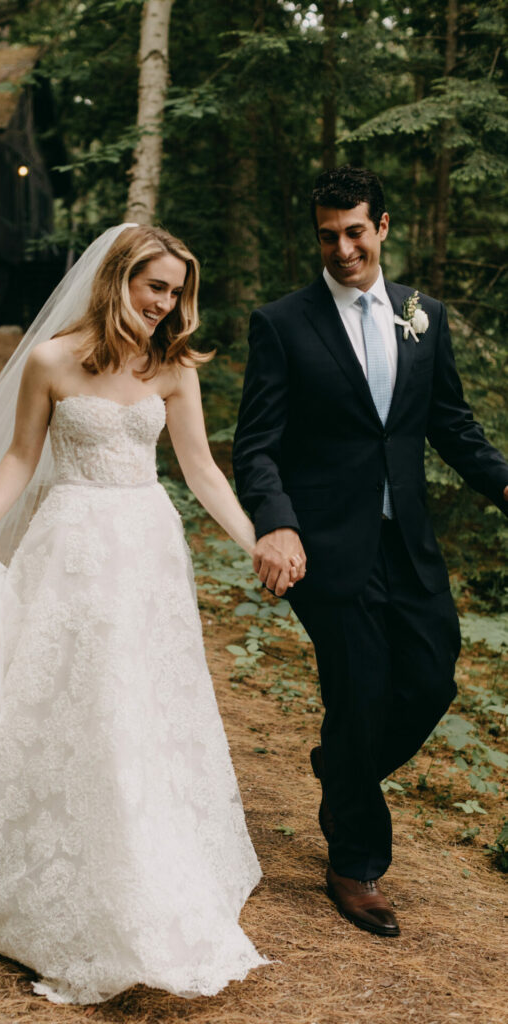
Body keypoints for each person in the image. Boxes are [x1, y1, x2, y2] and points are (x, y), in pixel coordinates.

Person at [0, 224, 266, 1003]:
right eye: (153, 287)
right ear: (117, 279)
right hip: (70, 541)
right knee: (63, 693)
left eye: (174, 293)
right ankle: (32, 858)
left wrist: (255, 542)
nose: (163, 304)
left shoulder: (172, 366)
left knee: (139, 697)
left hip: (146, 547)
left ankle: (145, 849)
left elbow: (200, 468)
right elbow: (21, 455)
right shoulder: (51, 360)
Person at [232, 165, 508, 938]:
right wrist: (275, 522)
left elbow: (450, 424)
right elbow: (256, 445)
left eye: (354, 232)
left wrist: (503, 483)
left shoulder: (424, 316)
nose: (342, 249)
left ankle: (341, 769)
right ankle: (355, 865)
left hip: (407, 542)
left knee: (430, 680)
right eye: (327, 236)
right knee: (357, 695)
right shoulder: (282, 323)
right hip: (325, 546)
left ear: (381, 227)